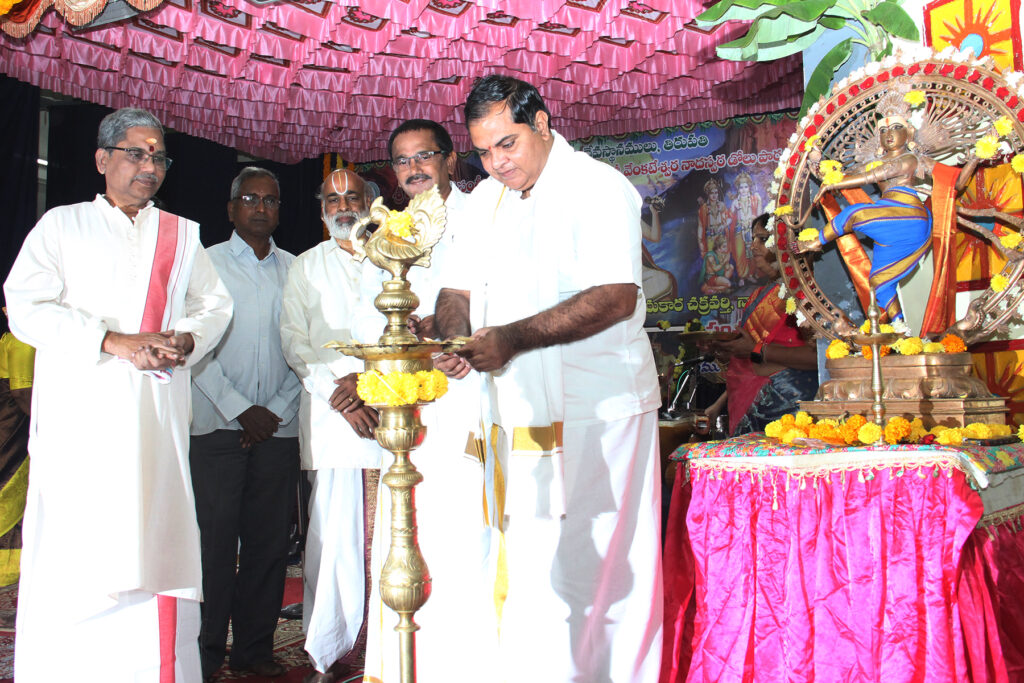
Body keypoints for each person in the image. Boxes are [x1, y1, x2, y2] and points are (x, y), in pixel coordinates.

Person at [434, 74, 663, 683]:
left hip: (597, 407)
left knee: (603, 571)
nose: (495, 162)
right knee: (531, 563)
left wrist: (509, 338)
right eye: (483, 151)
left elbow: (615, 296)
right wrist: (457, 338)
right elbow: (454, 289)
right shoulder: (485, 199)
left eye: (507, 144)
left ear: (542, 124)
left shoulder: (596, 187)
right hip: (513, 412)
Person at [3, 107, 233, 682]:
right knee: (77, 554)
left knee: (156, 543)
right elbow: (25, 305)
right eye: (136, 153)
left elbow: (214, 306)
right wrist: (113, 341)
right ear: (103, 159)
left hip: (154, 421)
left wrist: (186, 338)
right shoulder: (62, 225)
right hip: (81, 421)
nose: (149, 165)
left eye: (158, 155)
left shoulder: (181, 235)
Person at [357, 119, 493, 683]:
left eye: (426, 156)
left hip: (469, 388)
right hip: (406, 401)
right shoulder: (384, 231)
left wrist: (451, 333)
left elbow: (498, 296)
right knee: (406, 524)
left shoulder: (483, 214)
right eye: (403, 160)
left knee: (466, 527)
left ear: (451, 160)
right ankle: (409, 664)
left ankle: (469, 663)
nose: (414, 168)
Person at [189, 167, 301, 681]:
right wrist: (240, 409)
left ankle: (254, 650)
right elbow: (192, 348)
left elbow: (309, 349)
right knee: (212, 546)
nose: (261, 208)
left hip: (279, 429)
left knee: (268, 544)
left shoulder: (297, 270)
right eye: (250, 199)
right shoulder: (203, 265)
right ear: (231, 208)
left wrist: (274, 409)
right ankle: (204, 654)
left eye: (270, 201)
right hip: (216, 426)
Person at [280, 169, 381, 683]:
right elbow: (294, 340)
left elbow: (415, 323)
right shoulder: (305, 266)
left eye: (353, 196)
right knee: (333, 540)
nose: (343, 205)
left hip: (393, 411)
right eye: (333, 197)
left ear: (372, 202)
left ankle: (388, 650)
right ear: (322, 208)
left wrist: (372, 382)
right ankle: (329, 650)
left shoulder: (399, 257)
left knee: (394, 535)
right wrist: (341, 392)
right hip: (334, 415)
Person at [791, 88, 978, 326]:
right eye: (883, 130)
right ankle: (901, 330)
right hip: (889, 222)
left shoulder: (909, 159)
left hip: (908, 217)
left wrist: (977, 156)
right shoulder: (875, 161)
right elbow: (839, 178)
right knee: (879, 285)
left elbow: (880, 175)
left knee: (855, 214)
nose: (889, 134)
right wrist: (816, 163)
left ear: (909, 133)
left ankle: (817, 241)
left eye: (896, 127)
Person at [701, 214, 818, 435]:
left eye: (763, 239)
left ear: (785, 244)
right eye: (753, 238)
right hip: (746, 405)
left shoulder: (806, 293)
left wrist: (757, 350)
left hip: (789, 410)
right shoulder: (759, 294)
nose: (753, 246)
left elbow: (818, 358)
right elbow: (748, 362)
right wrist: (726, 351)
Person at [0, 312, 32, 592]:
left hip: (11, 424)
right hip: (13, 426)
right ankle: (6, 570)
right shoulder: (20, 342)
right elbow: (23, 393)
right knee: (9, 487)